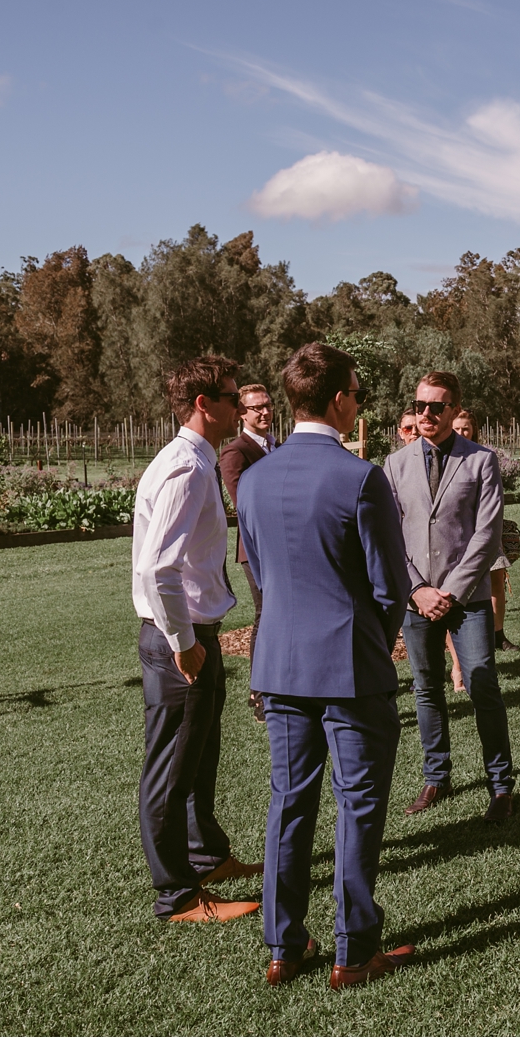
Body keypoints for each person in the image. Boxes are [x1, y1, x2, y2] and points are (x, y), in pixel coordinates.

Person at [236, 343, 416, 989]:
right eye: (358, 393)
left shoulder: (253, 479)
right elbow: (391, 585)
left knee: (289, 803)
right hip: (348, 667)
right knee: (358, 806)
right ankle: (353, 948)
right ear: (340, 399)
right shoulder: (359, 477)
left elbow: (258, 572)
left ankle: (284, 946)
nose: (359, 403)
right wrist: (377, 639)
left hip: (279, 663)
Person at [130, 355, 261, 923]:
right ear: (204, 405)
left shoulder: (194, 459)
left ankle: (207, 857)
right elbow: (158, 569)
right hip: (178, 640)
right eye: (232, 398)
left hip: (194, 633)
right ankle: (177, 895)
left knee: (200, 755)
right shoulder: (184, 467)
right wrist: (184, 642)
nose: (241, 407)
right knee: (170, 767)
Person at [385, 371, 516, 821]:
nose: (426, 414)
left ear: (454, 409)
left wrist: (452, 592)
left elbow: (487, 534)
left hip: (469, 598)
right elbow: (389, 537)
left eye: (436, 407)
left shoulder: (481, 461)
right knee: (426, 689)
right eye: (420, 405)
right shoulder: (394, 464)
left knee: (482, 684)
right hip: (415, 598)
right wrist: (418, 590)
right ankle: (436, 777)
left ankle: (501, 785)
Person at [219, 382, 276, 722]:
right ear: (241, 413)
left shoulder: (277, 447)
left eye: (267, 405)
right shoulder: (235, 452)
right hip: (255, 548)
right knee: (264, 615)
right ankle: (259, 693)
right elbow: (244, 505)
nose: (265, 411)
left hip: (284, 546)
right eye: (256, 407)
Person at [452, 410, 517, 673]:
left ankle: (497, 633)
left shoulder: (482, 457)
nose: (460, 434)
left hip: (486, 529)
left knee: (496, 581)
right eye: (456, 428)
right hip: (459, 535)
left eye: (465, 429)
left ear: (474, 431)